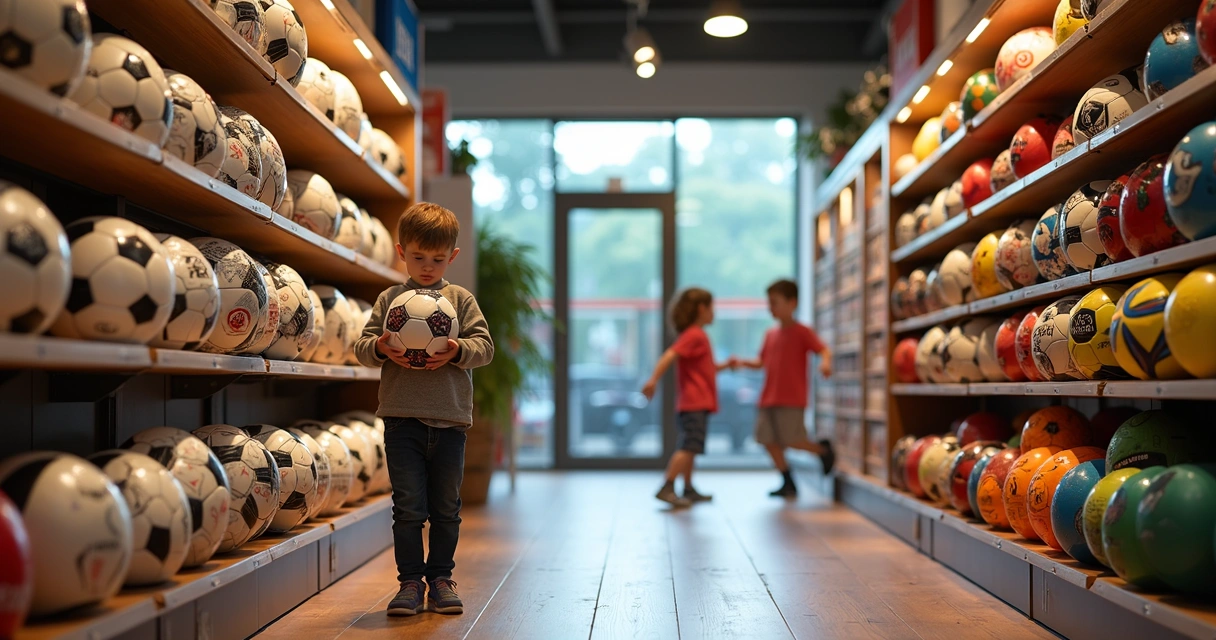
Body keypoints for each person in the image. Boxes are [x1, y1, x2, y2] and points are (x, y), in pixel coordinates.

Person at [354, 202, 494, 616]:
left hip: (450, 423)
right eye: (418, 257)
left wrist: (456, 351)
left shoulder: (460, 300)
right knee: (409, 508)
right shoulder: (389, 300)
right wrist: (379, 347)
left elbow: (484, 348)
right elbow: (361, 348)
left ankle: (441, 579)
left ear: (452, 256)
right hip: (401, 421)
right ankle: (410, 583)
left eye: (437, 259)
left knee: (446, 509)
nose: (427, 266)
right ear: (401, 252)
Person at [731, 279, 834, 497]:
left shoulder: (802, 332)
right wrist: (740, 362)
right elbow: (761, 362)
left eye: (775, 302)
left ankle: (823, 450)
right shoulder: (770, 334)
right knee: (767, 440)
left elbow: (823, 349)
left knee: (792, 440)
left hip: (792, 397)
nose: (771, 308)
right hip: (768, 397)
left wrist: (825, 363)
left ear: (792, 303)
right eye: (769, 303)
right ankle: (787, 481)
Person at [642, 287, 730, 507]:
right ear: (702, 309)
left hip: (694, 403)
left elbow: (705, 369)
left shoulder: (696, 335)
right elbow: (670, 354)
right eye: (712, 308)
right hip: (694, 403)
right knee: (689, 446)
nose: (714, 312)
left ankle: (688, 488)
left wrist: (725, 366)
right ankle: (667, 486)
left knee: (692, 447)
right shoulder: (695, 335)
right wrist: (653, 379)